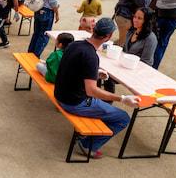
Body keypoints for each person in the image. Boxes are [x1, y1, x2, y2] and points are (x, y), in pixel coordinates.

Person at [54, 19, 139, 159]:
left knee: (105, 107)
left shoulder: (75, 44)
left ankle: (89, 136)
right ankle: (88, 145)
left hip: (61, 94)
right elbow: (91, 91)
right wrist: (123, 99)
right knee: (122, 118)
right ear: (109, 36)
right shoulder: (91, 56)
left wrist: (95, 74)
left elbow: (73, 68)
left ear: (93, 29)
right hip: (73, 102)